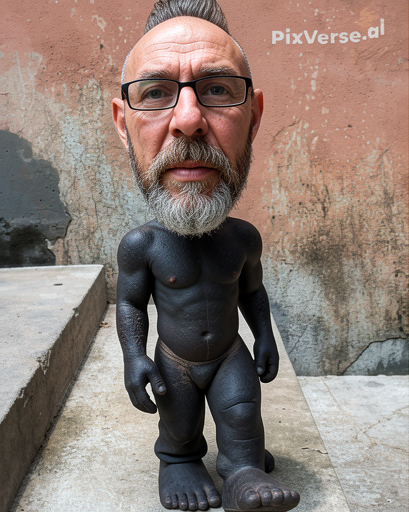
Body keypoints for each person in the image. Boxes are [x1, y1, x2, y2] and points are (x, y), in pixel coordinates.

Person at [112, 1, 300, 510]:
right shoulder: (142, 246)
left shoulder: (243, 239)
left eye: (217, 89)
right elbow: (129, 304)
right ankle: (178, 460)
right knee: (179, 425)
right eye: (155, 92)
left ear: (254, 117)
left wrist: (264, 336)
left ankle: (242, 470)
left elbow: (252, 292)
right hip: (174, 363)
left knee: (242, 414)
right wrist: (134, 356)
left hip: (229, 354)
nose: (189, 120)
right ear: (122, 122)